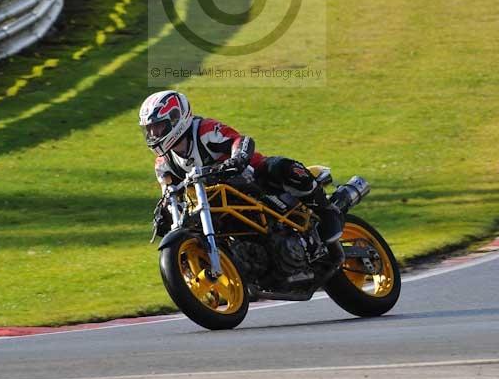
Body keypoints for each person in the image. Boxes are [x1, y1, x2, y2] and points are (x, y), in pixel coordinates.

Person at [139, 90, 345, 262]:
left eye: (158, 127)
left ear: (176, 118)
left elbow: (240, 141)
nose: (154, 135)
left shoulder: (204, 131)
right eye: (149, 130)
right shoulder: (163, 163)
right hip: (215, 203)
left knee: (284, 167)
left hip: (251, 178)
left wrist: (236, 159)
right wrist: (164, 213)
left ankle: (328, 211)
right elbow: (169, 193)